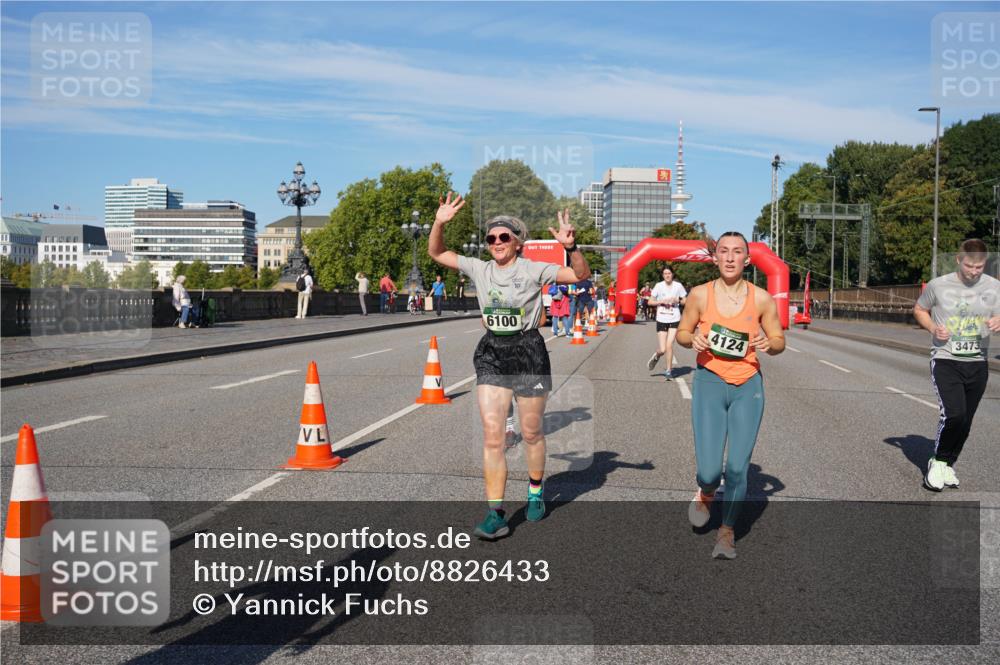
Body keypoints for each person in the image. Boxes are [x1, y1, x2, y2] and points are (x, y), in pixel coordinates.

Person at [428, 193, 590, 540]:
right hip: (492, 352)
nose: (497, 243)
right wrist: (439, 223)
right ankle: (496, 513)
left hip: (528, 350)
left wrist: (571, 247)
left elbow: (580, 275)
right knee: (493, 436)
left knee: (530, 432)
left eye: (504, 237)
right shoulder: (480, 268)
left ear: (517, 243)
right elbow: (437, 253)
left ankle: (535, 491)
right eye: (491, 238)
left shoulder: (533, 269)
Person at [677, 232, 785, 559]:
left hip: (748, 386)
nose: (729, 257)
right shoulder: (699, 294)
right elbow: (682, 332)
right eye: (723, 251)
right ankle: (706, 492)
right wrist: (691, 339)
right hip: (710, 382)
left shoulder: (762, 298)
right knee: (710, 471)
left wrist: (770, 344)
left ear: (747, 260)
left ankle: (726, 532)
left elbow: (779, 340)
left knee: (737, 468)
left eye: (737, 252)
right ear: (715, 258)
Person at [913, 238, 1000, 491]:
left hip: (977, 362)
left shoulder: (994, 286)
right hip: (946, 359)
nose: (974, 271)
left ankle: (949, 463)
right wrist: (933, 328)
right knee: (954, 414)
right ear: (958, 260)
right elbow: (919, 309)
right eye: (969, 266)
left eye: (979, 267)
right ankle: (938, 461)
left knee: (966, 420)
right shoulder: (939, 285)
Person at [647, 266, 688, 380]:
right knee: (663, 349)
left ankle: (669, 371)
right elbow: (650, 302)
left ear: (672, 274)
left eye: (669, 273)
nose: (667, 275)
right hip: (662, 318)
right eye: (665, 274)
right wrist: (661, 301)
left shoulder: (678, 286)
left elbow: (685, 301)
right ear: (662, 275)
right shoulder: (658, 286)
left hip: (674, 318)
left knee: (669, 345)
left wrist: (677, 300)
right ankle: (657, 355)